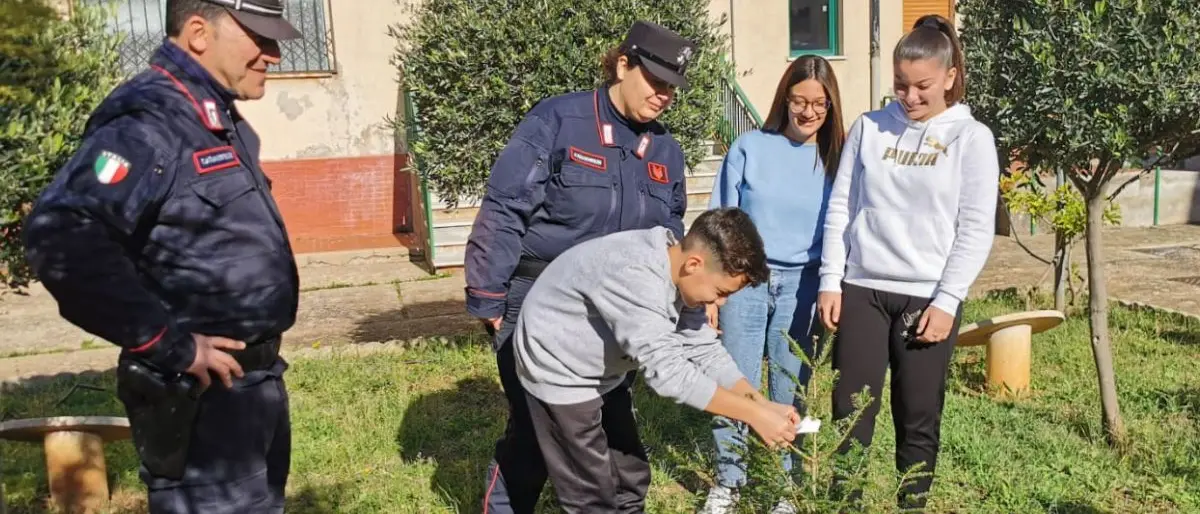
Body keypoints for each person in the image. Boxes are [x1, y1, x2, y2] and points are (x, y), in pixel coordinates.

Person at [23, 1, 302, 512]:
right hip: (197, 394)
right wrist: (167, 343)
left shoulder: (210, 114)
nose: (274, 55)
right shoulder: (150, 119)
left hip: (250, 386)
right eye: (259, 38)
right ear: (198, 32)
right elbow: (61, 235)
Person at [463, 20, 697, 513]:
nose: (664, 96)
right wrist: (488, 296)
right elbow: (505, 206)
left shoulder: (665, 150)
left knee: (606, 420)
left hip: (616, 314)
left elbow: (670, 235)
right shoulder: (559, 121)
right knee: (534, 426)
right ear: (622, 64)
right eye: (655, 82)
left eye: (672, 88)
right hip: (538, 300)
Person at [816, 14, 999, 510]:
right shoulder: (869, 128)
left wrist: (948, 299)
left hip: (928, 296)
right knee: (851, 411)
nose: (910, 97)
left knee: (918, 414)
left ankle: (911, 503)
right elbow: (842, 206)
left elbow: (976, 228)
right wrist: (831, 280)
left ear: (950, 76)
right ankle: (844, 503)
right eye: (901, 85)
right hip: (862, 289)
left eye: (922, 86)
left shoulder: (971, 138)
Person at [512, 207, 799, 513]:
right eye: (719, 292)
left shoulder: (679, 271)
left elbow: (703, 349)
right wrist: (752, 415)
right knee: (590, 494)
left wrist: (760, 403)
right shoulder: (636, 277)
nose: (720, 303)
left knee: (630, 476)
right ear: (694, 264)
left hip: (604, 367)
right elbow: (670, 375)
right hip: (559, 369)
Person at [700, 55, 846, 514]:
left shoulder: (837, 158)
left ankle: (784, 486)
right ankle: (729, 480)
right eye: (799, 100)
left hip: (803, 284)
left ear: (831, 105)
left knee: (788, 389)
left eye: (819, 104)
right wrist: (711, 288)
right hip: (745, 280)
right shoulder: (749, 147)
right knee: (735, 381)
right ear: (784, 98)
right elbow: (718, 219)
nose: (807, 112)